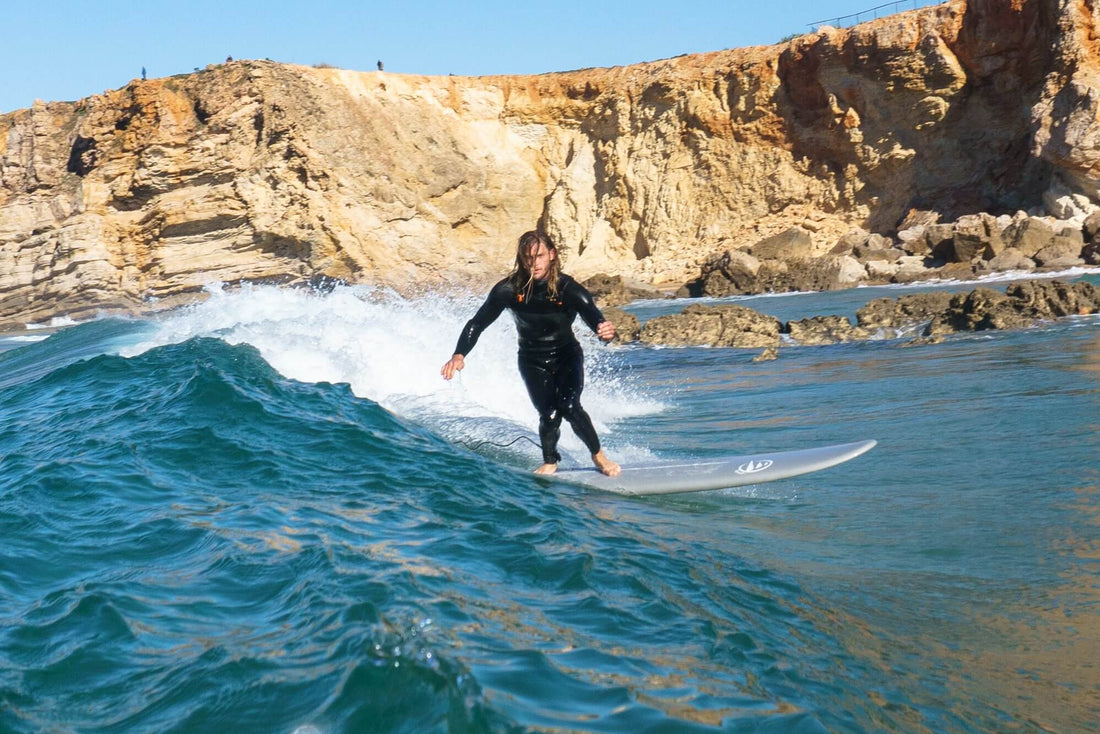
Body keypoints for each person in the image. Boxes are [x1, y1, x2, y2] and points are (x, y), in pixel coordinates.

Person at [441, 230, 621, 477]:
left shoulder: (568, 289)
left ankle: (599, 456)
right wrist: (459, 354)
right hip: (531, 359)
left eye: (539, 256)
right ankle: (550, 461)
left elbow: (596, 319)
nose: (533, 263)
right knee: (549, 414)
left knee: (569, 406)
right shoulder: (508, 290)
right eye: (527, 258)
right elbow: (478, 322)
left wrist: (605, 332)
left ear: (552, 255)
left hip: (567, 355)